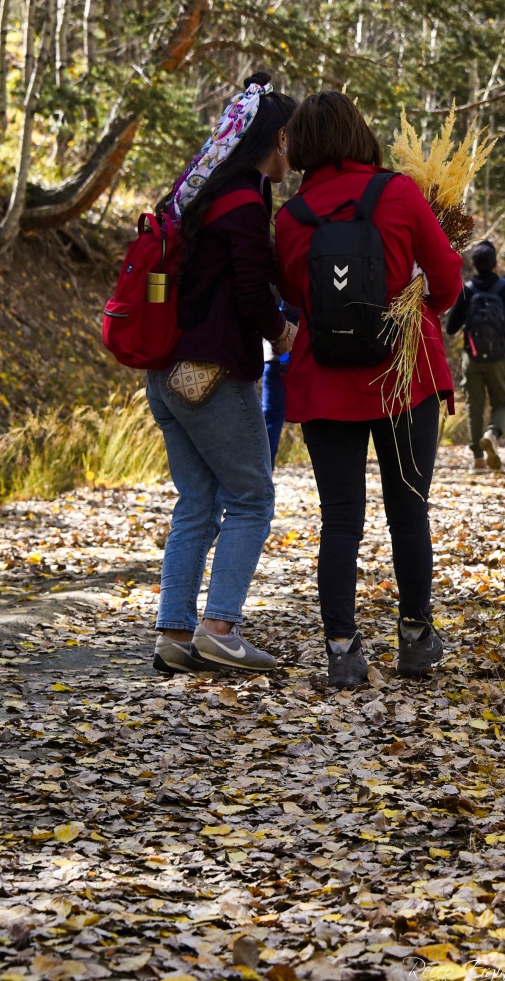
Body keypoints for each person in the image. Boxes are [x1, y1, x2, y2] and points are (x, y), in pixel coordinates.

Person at [275, 91, 463, 691]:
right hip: (404, 374)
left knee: (339, 518)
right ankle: (415, 638)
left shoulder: (290, 218)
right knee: (408, 509)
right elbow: (448, 280)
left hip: (326, 378)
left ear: (301, 146)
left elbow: (295, 295)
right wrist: (415, 302)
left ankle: (341, 649)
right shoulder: (399, 193)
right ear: (359, 133)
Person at [147, 74, 299, 678]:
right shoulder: (243, 203)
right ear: (279, 138)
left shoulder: (201, 193)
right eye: (293, 141)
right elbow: (250, 289)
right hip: (209, 375)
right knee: (253, 498)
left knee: (198, 501)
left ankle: (173, 633)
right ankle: (220, 629)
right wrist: (282, 334)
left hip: (165, 371)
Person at [445, 239, 505, 473]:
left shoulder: (467, 289)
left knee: (474, 406)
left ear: (473, 264)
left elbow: (451, 328)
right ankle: (492, 433)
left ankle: (477, 460)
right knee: (503, 402)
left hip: (471, 358)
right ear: (495, 264)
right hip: (499, 357)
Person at [260, 302, 300, 466]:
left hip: (278, 356)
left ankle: (265, 468)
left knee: (271, 415)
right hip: (280, 357)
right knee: (272, 415)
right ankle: (265, 468)